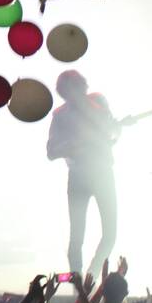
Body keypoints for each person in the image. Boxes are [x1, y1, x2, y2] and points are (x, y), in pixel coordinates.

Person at [48, 71, 121, 278]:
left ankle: (91, 276)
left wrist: (114, 131)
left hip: (103, 173)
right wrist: (74, 146)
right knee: (77, 236)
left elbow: (113, 132)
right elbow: (51, 151)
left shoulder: (98, 102)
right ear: (65, 93)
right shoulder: (60, 115)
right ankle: (78, 281)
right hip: (79, 176)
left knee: (110, 234)